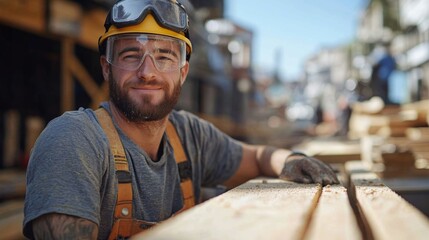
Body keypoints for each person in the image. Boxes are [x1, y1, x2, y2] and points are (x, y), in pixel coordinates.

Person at [23, 0, 339, 239]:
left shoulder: (188, 136)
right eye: (131, 55)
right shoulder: (73, 141)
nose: (147, 72)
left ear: (183, 72)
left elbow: (258, 157)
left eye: (164, 57)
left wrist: (289, 159)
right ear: (107, 68)